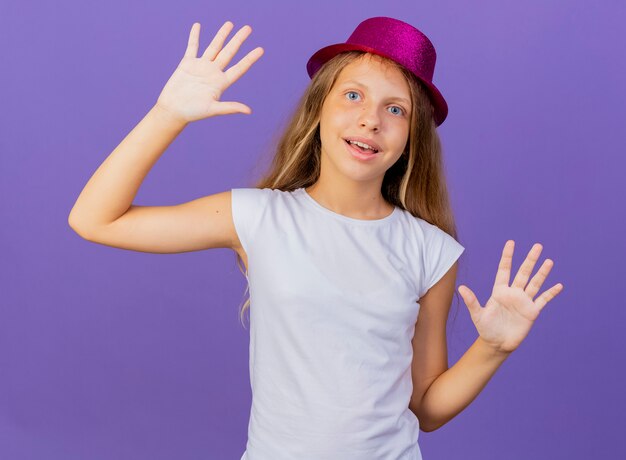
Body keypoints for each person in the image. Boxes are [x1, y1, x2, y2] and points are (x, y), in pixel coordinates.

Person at [68, 17, 564, 460]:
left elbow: (426, 408)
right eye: (354, 95)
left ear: (412, 136)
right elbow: (96, 220)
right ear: (319, 107)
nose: (371, 118)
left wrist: (492, 348)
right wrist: (167, 114)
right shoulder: (258, 217)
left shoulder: (430, 250)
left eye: (396, 109)